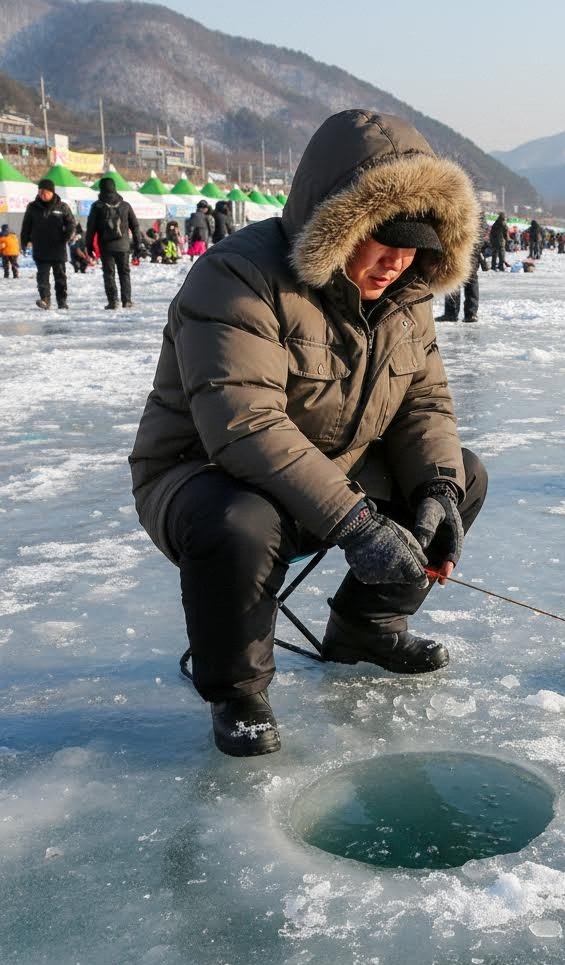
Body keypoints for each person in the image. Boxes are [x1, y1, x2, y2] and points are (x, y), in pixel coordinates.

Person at [129, 109, 486, 757]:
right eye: (384, 240)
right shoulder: (237, 277)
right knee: (242, 520)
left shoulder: (406, 296)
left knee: (461, 474)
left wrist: (437, 489)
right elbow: (244, 425)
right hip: (207, 478)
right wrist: (356, 521)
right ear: (339, 224)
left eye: (415, 245)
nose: (398, 261)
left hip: (331, 473)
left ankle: (367, 626)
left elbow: (423, 405)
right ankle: (238, 690)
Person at [86, 176, 142, 309]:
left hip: (106, 246)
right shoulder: (125, 206)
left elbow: (91, 228)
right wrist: (137, 243)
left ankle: (113, 301)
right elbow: (135, 226)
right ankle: (127, 300)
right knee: (124, 273)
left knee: (108, 273)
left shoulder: (97, 206)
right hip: (123, 245)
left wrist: (89, 245)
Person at [20, 177, 76, 309]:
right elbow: (26, 226)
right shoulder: (32, 207)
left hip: (58, 247)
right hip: (40, 247)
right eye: (40, 192)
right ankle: (45, 299)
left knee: (60, 277)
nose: (42, 194)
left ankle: (62, 301)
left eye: (45, 192)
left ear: (52, 192)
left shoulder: (62, 207)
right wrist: (24, 242)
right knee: (42, 277)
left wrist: (66, 236)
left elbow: (71, 223)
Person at [438, 213, 485, 322]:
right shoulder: (477, 212)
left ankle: (454, 313)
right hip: (466, 250)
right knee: (464, 281)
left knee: (457, 279)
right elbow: (481, 233)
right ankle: (469, 313)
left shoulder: (462, 210)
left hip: (462, 250)